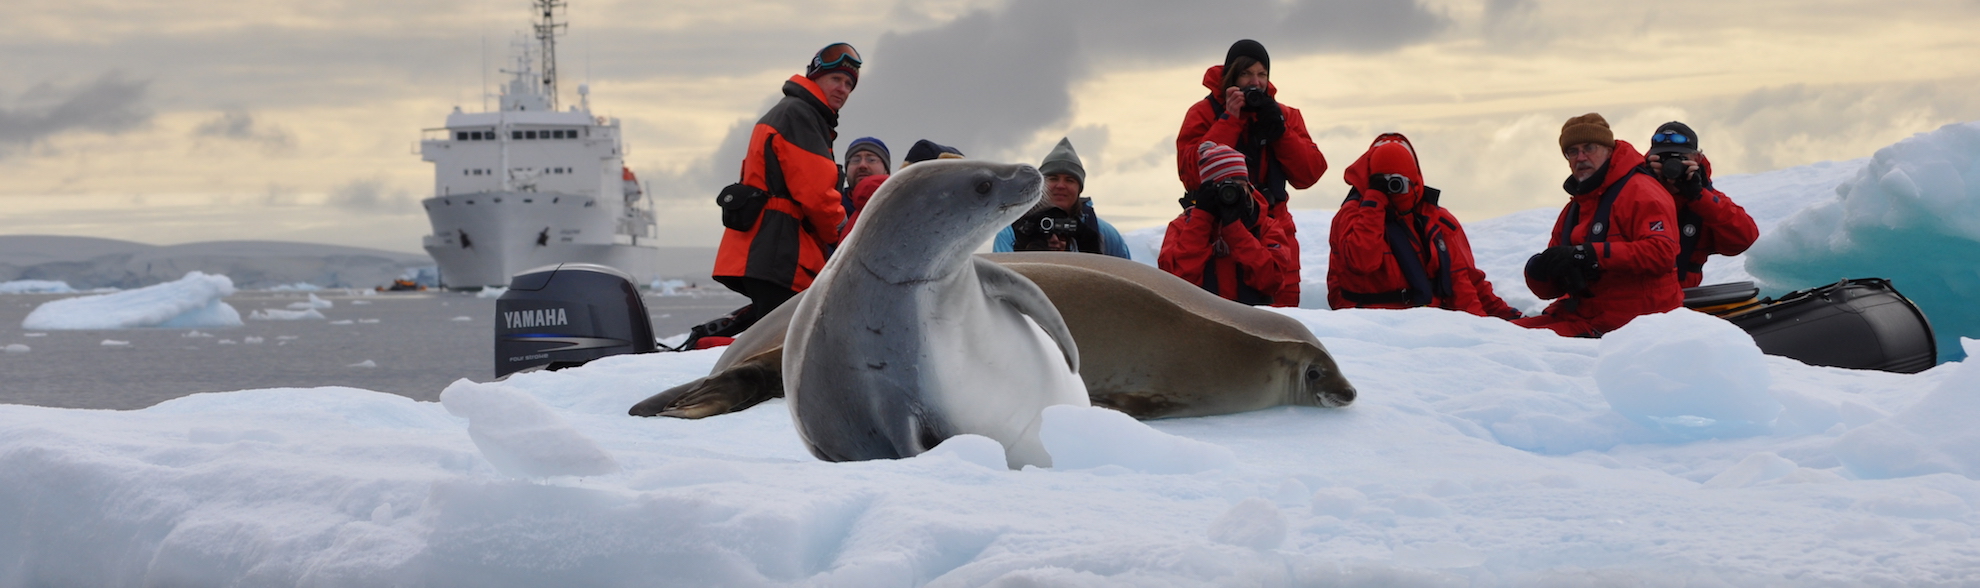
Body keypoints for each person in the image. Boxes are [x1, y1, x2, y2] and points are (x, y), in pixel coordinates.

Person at [707, 42, 858, 341]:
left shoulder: (793, 112)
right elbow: (816, 193)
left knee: (774, 343)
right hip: (780, 254)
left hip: (766, 252)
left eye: (849, 84)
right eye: (835, 79)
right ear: (814, 77)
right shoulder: (800, 115)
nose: (842, 89)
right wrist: (844, 237)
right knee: (784, 350)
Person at [1176, 39, 1326, 307]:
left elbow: (1309, 174)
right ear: (1230, 75)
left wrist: (1280, 131)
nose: (1254, 82)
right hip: (1215, 228)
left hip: (1273, 226)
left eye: (1262, 75)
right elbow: (1191, 175)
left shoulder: (1285, 116)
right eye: (1246, 73)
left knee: (1284, 324)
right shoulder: (1203, 113)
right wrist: (1229, 120)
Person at [1513, 113, 1682, 337]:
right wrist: (1539, 272)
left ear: (1608, 150)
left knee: (1514, 344)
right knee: (1501, 337)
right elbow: (1551, 289)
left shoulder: (1641, 191)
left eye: (1589, 147)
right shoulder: (1575, 209)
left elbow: (1662, 253)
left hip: (1634, 324)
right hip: (1585, 315)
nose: (1580, 157)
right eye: (1572, 151)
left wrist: (1590, 254)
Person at [1326, 133, 1521, 319]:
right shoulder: (1352, 217)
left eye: (1400, 182)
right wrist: (1374, 201)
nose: (1395, 190)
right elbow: (1362, 261)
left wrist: (1500, 322)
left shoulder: (1439, 220)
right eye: (1387, 181)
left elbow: (1466, 282)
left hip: (1434, 328)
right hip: (1376, 332)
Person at [1159, 142, 1293, 305]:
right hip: (1200, 322)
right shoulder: (1182, 227)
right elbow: (1176, 285)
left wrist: (1235, 230)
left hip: (1252, 322)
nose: (1232, 193)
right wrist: (1202, 218)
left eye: (1240, 186)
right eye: (1223, 186)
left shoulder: (1266, 226)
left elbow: (1271, 281)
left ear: (1249, 187)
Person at [1642, 122, 1759, 288]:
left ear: (1697, 159)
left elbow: (1743, 239)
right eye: (1664, 158)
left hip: (1685, 296)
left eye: (1680, 159)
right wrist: (1645, 183)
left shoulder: (1706, 198)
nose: (1671, 166)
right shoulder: (1634, 195)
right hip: (1639, 294)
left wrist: (1699, 197)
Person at [993, 137, 1130, 258]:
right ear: (1041, 185)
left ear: (1079, 189)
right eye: (1053, 178)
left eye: (1070, 180)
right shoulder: (1012, 232)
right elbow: (999, 282)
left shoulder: (1103, 233)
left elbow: (1126, 279)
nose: (1060, 186)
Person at [837, 137, 890, 241]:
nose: (862, 165)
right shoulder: (830, 207)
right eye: (855, 160)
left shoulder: (898, 205)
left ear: (886, 171)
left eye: (871, 160)